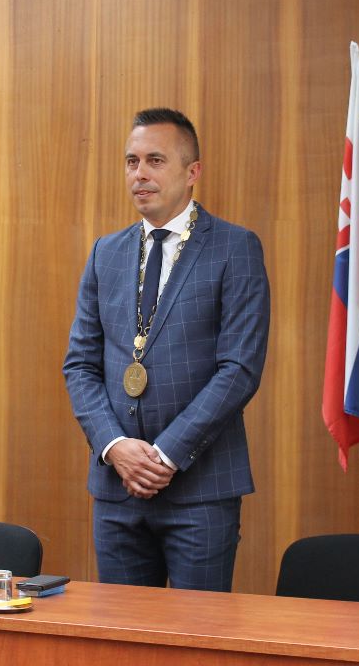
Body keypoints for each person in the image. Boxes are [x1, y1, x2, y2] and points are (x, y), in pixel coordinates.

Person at [64, 108, 270, 592]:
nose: (140, 174)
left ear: (192, 171)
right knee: (122, 633)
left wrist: (165, 456)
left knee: (196, 633)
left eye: (155, 160)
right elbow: (80, 365)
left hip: (200, 492)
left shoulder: (235, 248)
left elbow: (239, 369)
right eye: (131, 161)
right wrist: (114, 447)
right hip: (117, 489)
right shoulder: (106, 252)